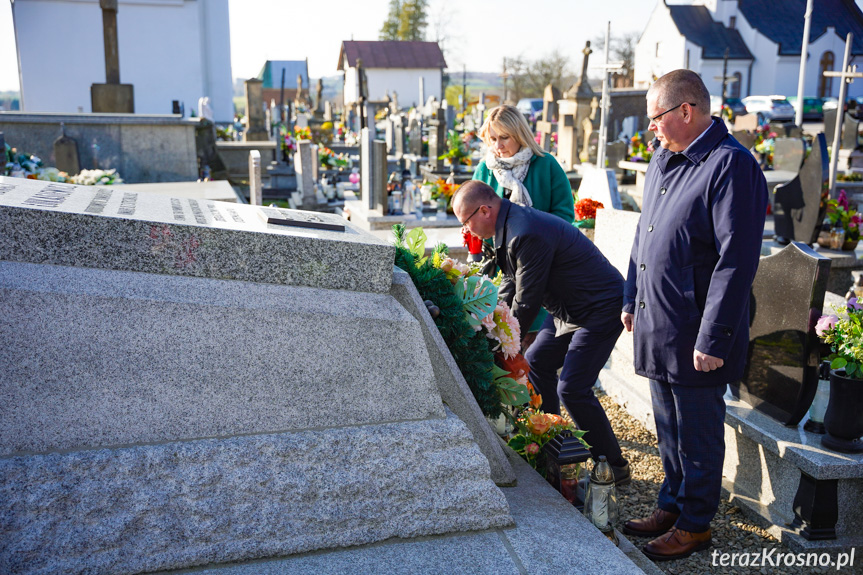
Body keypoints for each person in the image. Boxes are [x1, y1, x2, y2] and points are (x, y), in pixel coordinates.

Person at [620, 69, 767, 561]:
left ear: (686, 110)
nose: (651, 129)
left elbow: (736, 259)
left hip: (695, 330)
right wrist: (629, 298)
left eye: (656, 117)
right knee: (668, 428)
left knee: (698, 435)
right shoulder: (665, 157)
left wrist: (714, 337)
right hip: (657, 321)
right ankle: (672, 504)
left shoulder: (730, 166)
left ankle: (696, 525)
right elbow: (645, 236)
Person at [453, 181, 629, 481]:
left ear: (484, 210)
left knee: (572, 388)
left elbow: (528, 298)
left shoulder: (525, 231)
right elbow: (510, 282)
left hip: (599, 306)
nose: (467, 231)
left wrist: (505, 343)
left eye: (466, 222)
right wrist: (488, 321)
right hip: (567, 308)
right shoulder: (508, 225)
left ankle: (613, 465)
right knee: (537, 364)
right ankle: (552, 446)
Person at [472, 104, 575, 339]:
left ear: (519, 134)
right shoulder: (485, 170)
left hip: (541, 268)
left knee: (530, 343)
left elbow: (565, 216)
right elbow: (473, 214)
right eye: (493, 138)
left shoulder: (546, 165)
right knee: (498, 341)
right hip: (497, 268)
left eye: (505, 138)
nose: (498, 146)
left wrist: (531, 236)